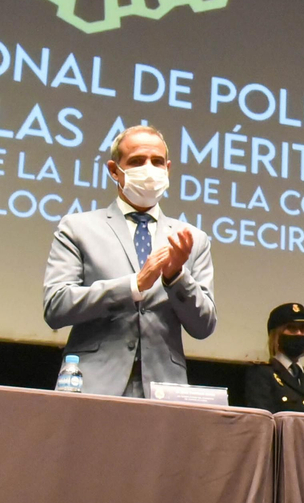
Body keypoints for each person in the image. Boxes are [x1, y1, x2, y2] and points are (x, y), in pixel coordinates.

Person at [42, 126, 215, 397]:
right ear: (114, 171)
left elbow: (204, 326)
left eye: (157, 162)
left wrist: (176, 278)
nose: (149, 169)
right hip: (92, 385)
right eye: (136, 161)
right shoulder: (77, 228)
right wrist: (134, 285)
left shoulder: (193, 239)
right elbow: (56, 306)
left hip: (164, 390)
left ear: (168, 169)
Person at [244, 302, 304, 413]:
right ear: (276, 335)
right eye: (292, 328)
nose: (299, 333)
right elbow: (262, 422)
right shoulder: (262, 375)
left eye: (303, 329)